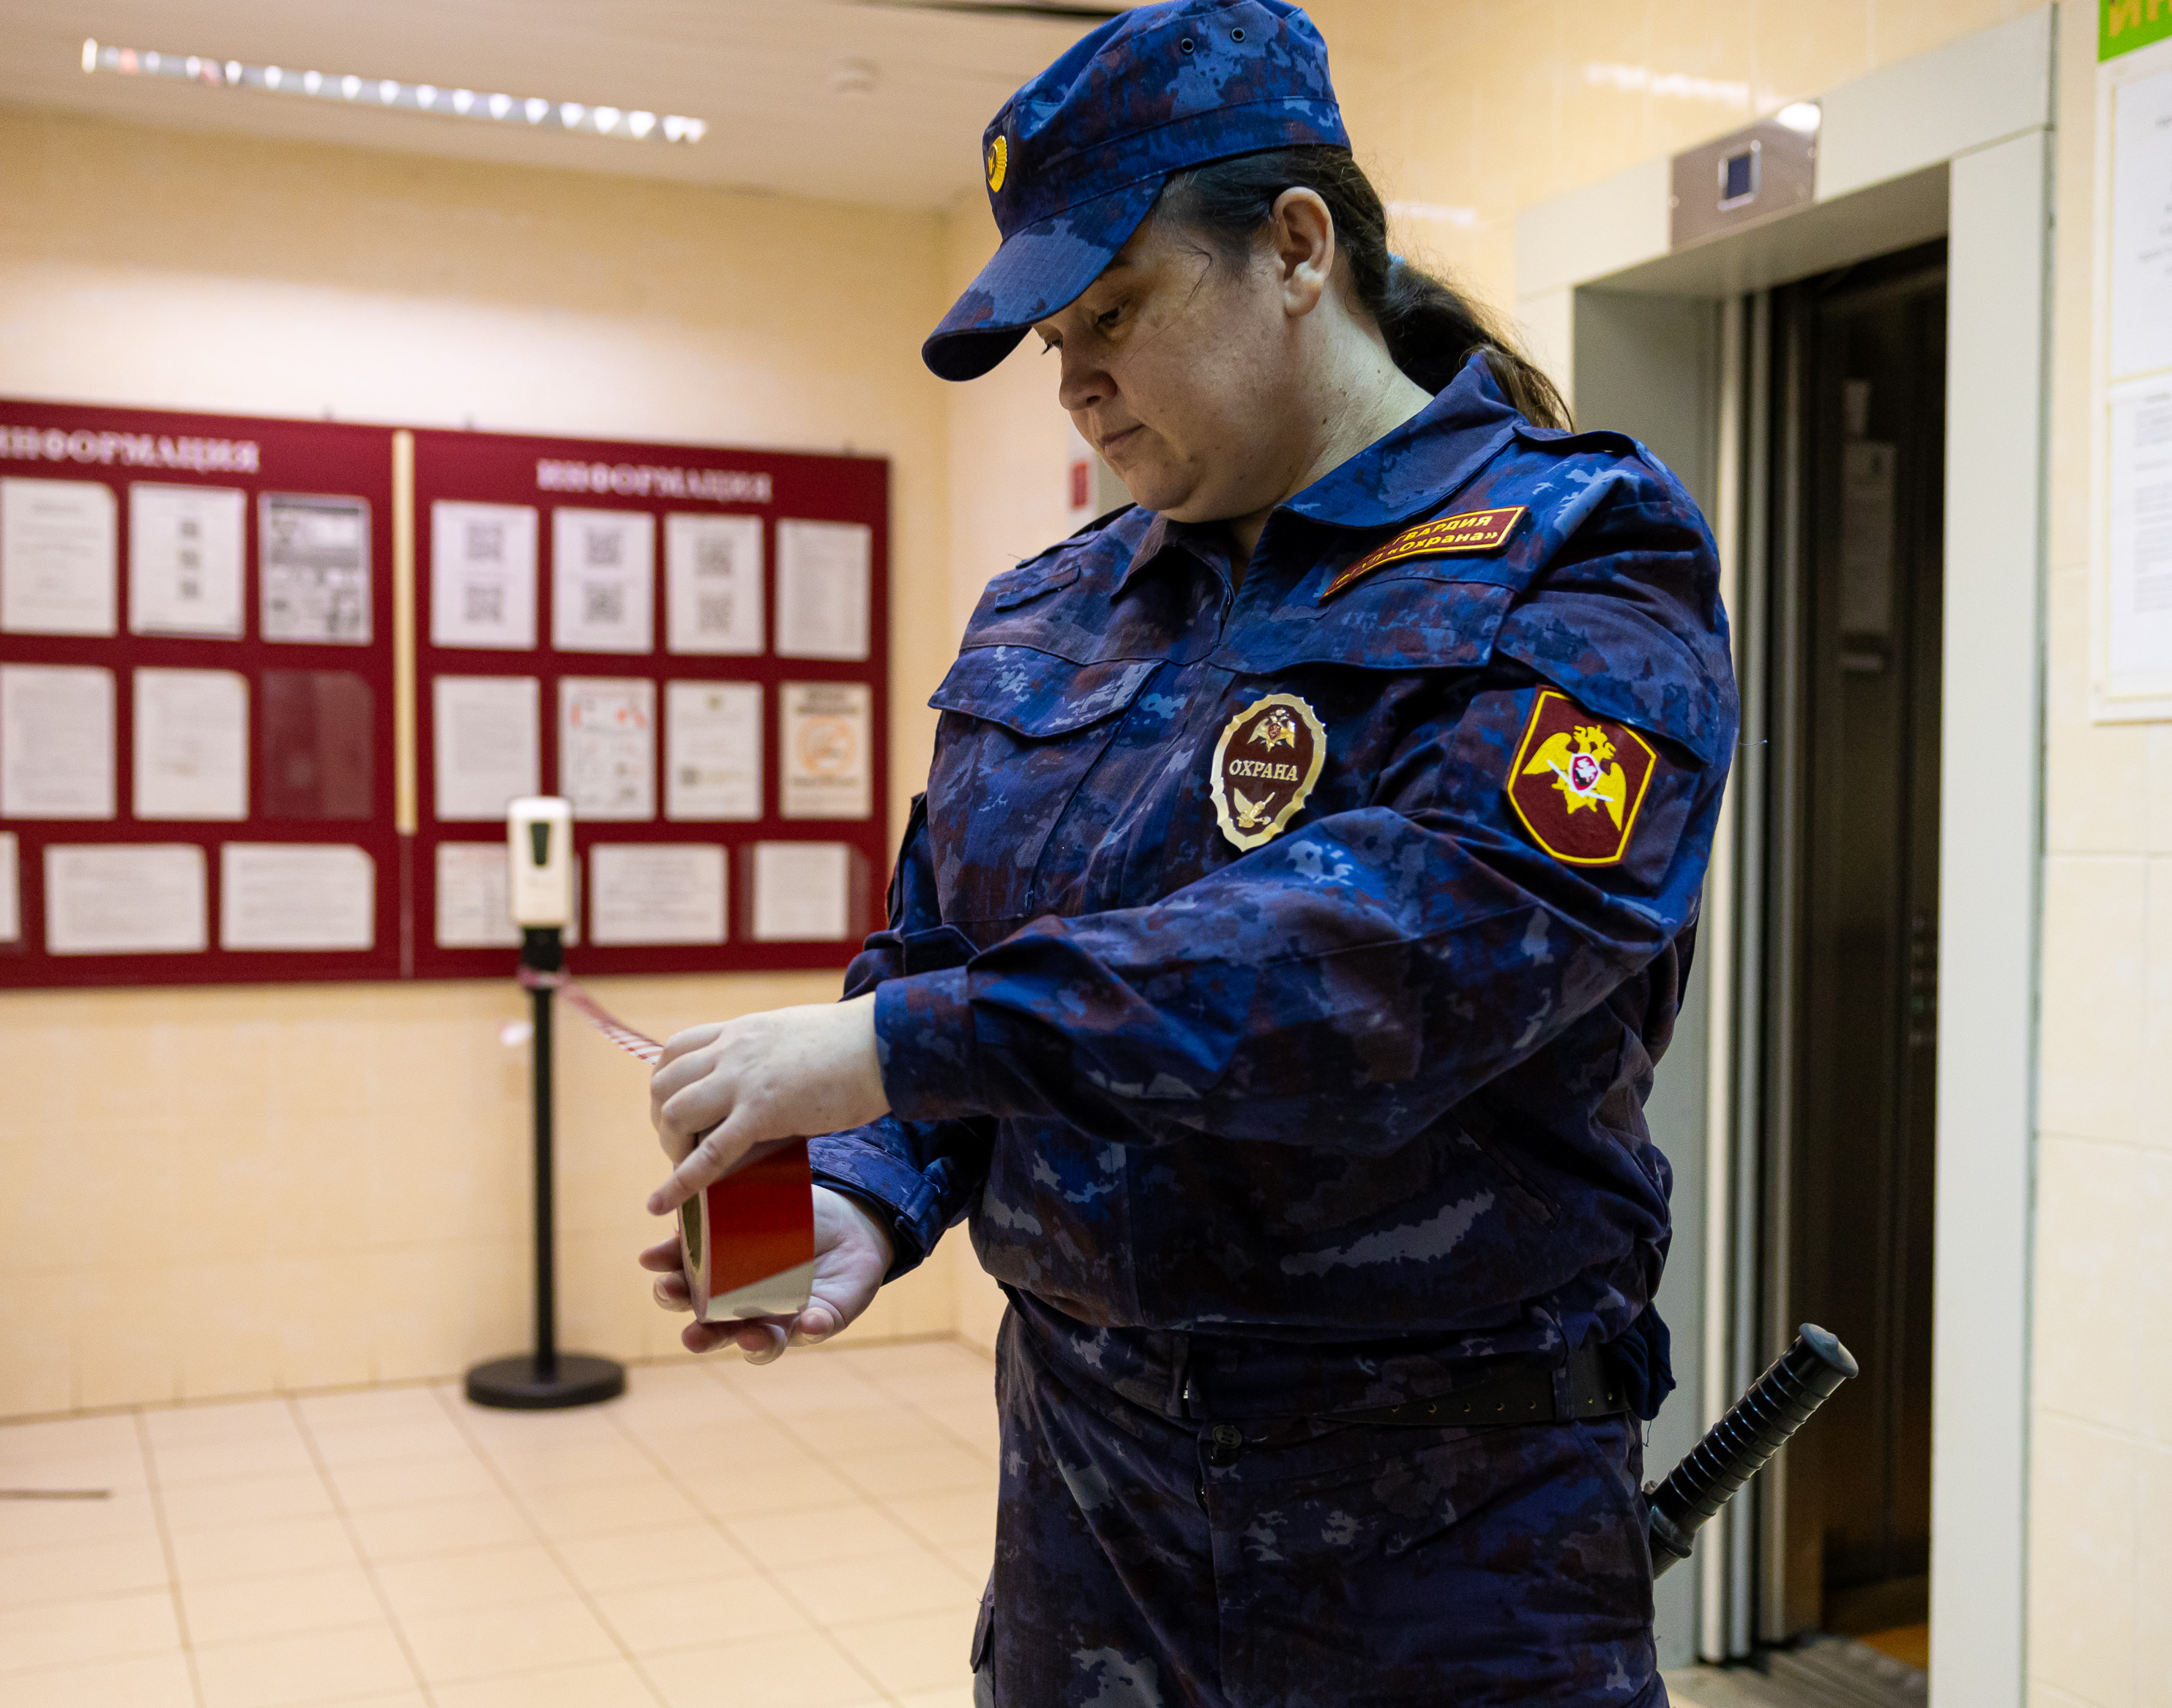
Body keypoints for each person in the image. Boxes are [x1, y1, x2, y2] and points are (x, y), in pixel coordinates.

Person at [636, 2, 1736, 1701]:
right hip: (1086, 1524)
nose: (1073, 380)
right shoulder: (1051, 608)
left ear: (1295, 248)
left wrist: (898, 1049)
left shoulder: (1580, 557)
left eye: (1115, 312)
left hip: (1441, 1542)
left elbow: (1409, 962)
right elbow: (938, 949)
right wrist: (868, 1186)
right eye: (1050, 336)